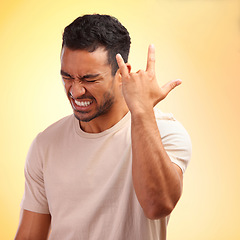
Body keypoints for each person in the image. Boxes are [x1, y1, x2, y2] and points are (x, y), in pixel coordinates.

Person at [15, 14, 191, 240]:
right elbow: (30, 235)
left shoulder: (167, 132)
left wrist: (142, 110)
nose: (75, 91)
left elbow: (157, 206)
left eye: (89, 79)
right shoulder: (46, 143)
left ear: (121, 75)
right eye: (67, 76)